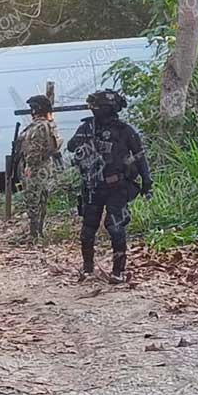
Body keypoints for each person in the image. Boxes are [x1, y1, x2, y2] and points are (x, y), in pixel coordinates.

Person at [67, 89, 152, 284]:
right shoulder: (88, 127)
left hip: (117, 186)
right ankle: (87, 269)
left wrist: (147, 183)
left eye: (97, 106)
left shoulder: (125, 131)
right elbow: (71, 147)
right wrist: (84, 141)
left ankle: (118, 272)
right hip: (92, 187)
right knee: (88, 228)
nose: (94, 109)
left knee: (115, 227)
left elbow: (140, 158)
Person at [16, 94, 62, 244]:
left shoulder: (39, 126)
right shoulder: (49, 124)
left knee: (33, 201)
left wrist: (29, 165)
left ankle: (34, 234)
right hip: (45, 167)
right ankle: (37, 233)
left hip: (36, 168)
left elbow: (35, 149)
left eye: (32, 108)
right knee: (41, 199)